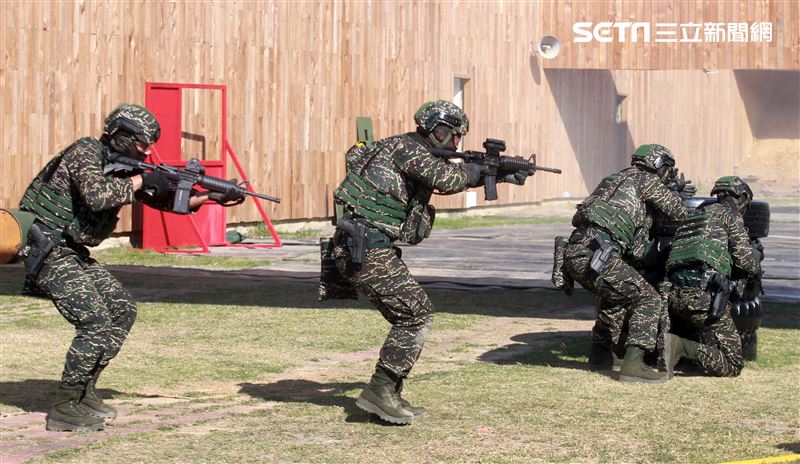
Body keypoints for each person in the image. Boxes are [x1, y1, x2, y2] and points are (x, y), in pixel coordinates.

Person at [19, 104, 227, 432]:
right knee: (95, 321)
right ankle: (65, 405)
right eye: (142, 144)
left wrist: (210, 197)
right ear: (123, 136)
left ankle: (84, 391)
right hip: (47, 247)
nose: (146, 151)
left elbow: (161, 200)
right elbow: (98, 196)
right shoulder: (86, 151)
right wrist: (141, 178)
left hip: (71, 250)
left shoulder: (120, 166)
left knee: (122, 310)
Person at [331, 100, 519, 424]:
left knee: (411, 313)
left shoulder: (396, 147)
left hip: (361, 245)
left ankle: (387, 392)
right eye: (455, 136)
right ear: (439, 131)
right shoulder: (410, 150)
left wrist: (494, 174)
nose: (458, 144)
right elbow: (445, 180)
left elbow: (433, 174)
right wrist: (481, 173)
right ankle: (381, 391)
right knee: (416, 315)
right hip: (365, 247)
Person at [561, 144, 687, 383]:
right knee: (648, 298)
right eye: (667, 171)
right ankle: (633, 365)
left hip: (577, 251)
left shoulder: (612, 179)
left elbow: (633, 248)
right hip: (598, 254)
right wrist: (672, 191)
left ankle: (600, 355)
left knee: (617, 294)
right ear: (660, 167)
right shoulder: (647, 182)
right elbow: (680, 213)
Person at [664, 176, 762, 377]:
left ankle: (674, 349)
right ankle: (679, 347)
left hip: (672, 297)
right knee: (732, 364)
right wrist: (756, 255)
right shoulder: (730, 217)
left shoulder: (695, 215)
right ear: (741, 198)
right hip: (703, 298)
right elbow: (747, 263)